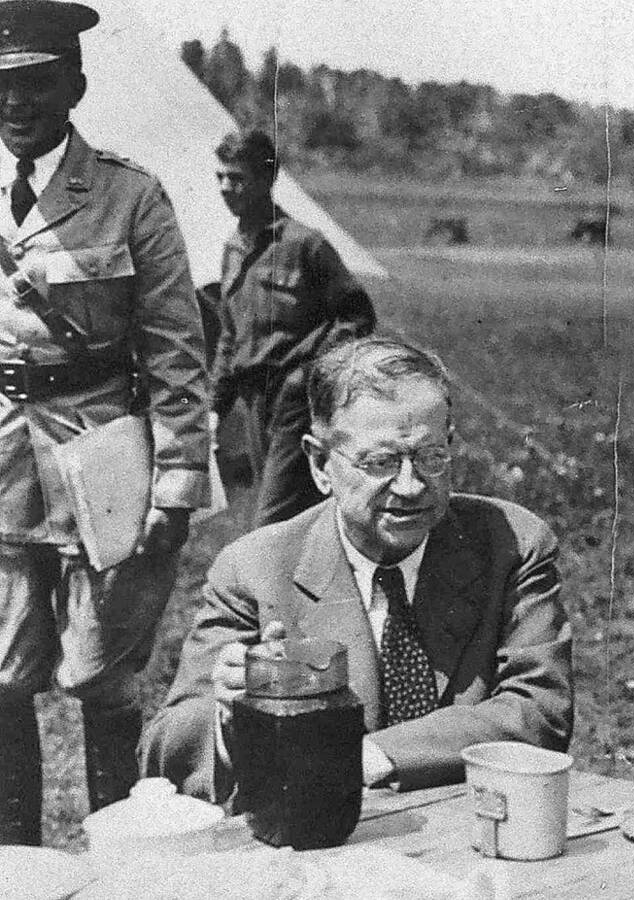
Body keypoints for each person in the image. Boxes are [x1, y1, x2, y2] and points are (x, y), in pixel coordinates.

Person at [140, 336, 572, 800]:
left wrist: (367, 756)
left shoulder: (512, 544)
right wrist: (229, 721)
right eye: (381, 462)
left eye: (432, 458)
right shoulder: (255, 569)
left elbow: (540, 709)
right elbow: (166, 746)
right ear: (320, 464)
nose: (410, 486)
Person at [0, 2, 212, 844]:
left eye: (37, 84)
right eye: (3, 87)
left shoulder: (128, 195)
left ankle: (119, 861)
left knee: (99, 674)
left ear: (75, 86)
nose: (18, 104)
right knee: (2, 670)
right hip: (4, 462)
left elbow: (177, 352)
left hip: (103, 456)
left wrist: (179, 480)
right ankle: (12, 858)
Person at [211, 128, 376, 527]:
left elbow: (357, 317)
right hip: (253, 401)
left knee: (270, 517)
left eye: (237, 178)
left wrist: (307, 376)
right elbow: (230, 336)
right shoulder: (234, 248)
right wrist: (214, 405)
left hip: (294, 400)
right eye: (220, 178)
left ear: (268, 179)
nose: (225, 188)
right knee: (294, 517)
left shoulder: (305, 245)